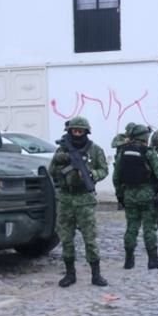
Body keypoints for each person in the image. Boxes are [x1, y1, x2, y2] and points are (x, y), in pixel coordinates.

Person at [49, 116, 109, 287]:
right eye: (74, 131)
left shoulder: (95, 150)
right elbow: (51, 171)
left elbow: (103, 169)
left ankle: (96, 274)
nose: (77, 133)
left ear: (86, 132)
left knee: (90, 238)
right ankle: (70, 274)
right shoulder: (61, 149)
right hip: (66, 199)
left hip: (85, 199)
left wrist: (92, 175)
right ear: (69, 132)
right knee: (66, 238)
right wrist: (63, 160)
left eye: (80, 131)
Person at [113, 124, 158, 270]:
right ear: (144, 137)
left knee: (131, 227)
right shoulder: (148, 152)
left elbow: (116, 176)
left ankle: (129, 260)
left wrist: (120, 194)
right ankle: (153, 260)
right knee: (149, 227)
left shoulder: (123, 152)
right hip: (147, 194)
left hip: (129, 194)